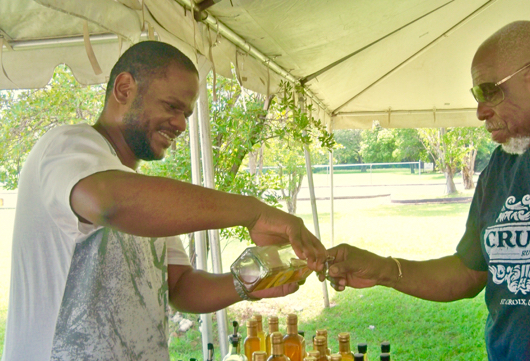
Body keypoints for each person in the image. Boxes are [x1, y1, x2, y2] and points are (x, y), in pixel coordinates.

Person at [324, 20, 530, 359]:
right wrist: (385, 268)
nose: (479, 111)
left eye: (489, 91)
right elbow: (469, 271)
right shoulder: (501, 169)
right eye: (477, 96)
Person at [2, 41, 326, 361]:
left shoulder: (146, 197)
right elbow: (108, 202)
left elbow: (180, 286)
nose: (182, 124)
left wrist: (247, 284)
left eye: (186, 113)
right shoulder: (66, 147)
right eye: (172, 107)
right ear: (125, 88)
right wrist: (253, 212)